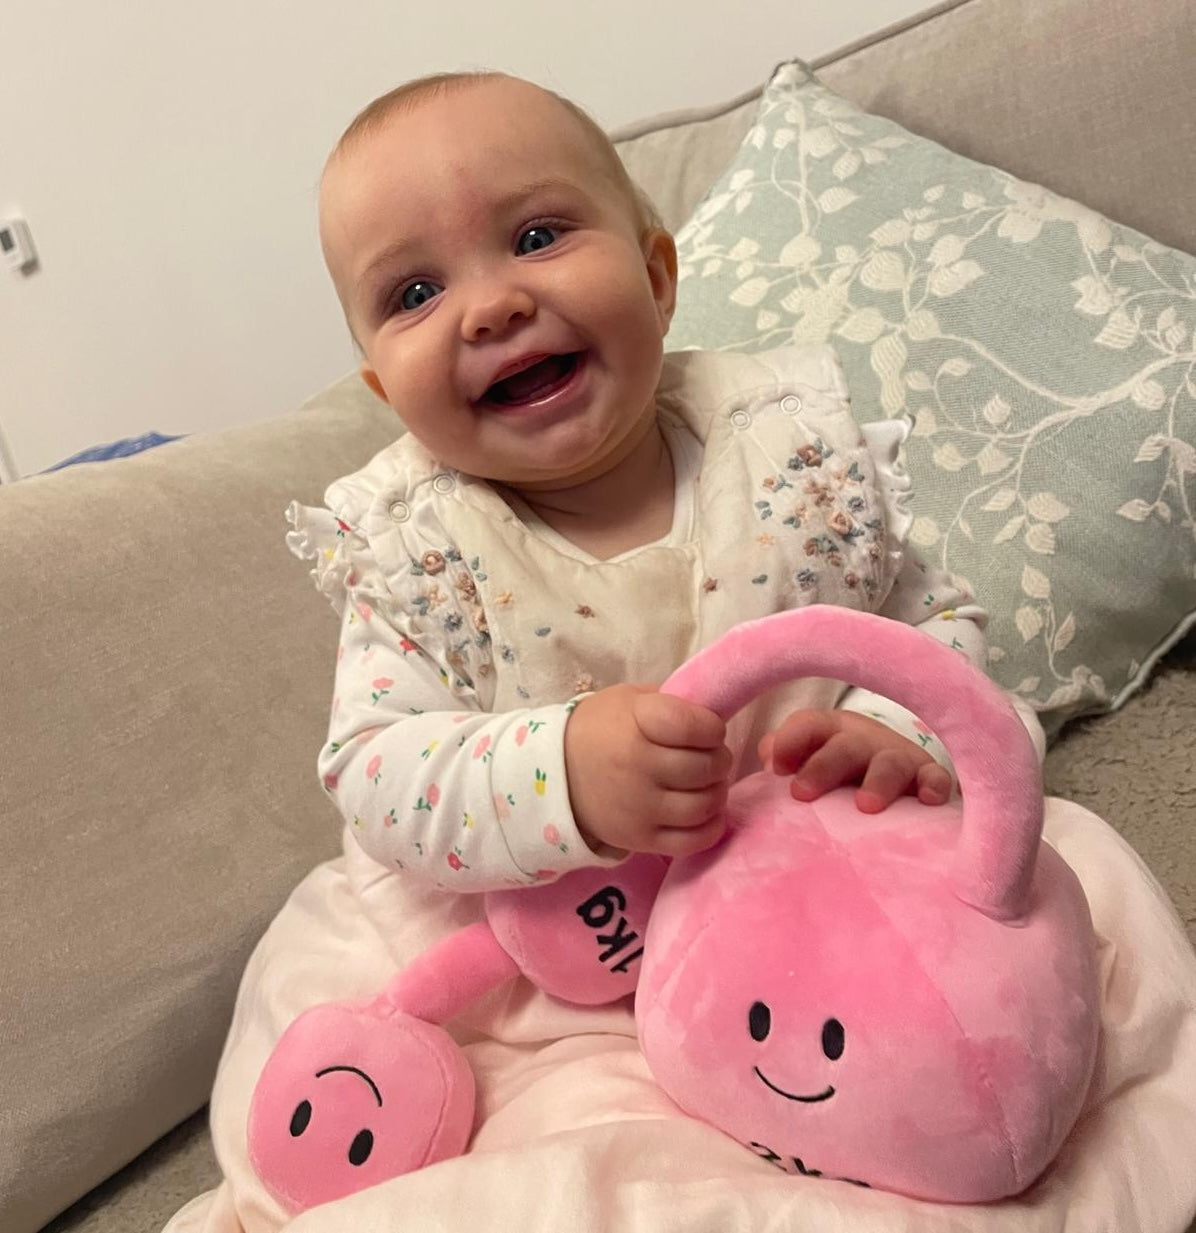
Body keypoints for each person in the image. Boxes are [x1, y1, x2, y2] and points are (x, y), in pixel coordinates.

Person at [288, 69, 1044, 894]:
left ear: (656, 280)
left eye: (536, 238)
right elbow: (376, 774)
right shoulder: (418, 555)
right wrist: (560, 773)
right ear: (386, 391)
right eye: (416, 292)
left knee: (1052, 895)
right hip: (567, 932)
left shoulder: (792, 456)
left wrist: (894, 731)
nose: (492, 307)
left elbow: (936, 627)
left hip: (823, 884)